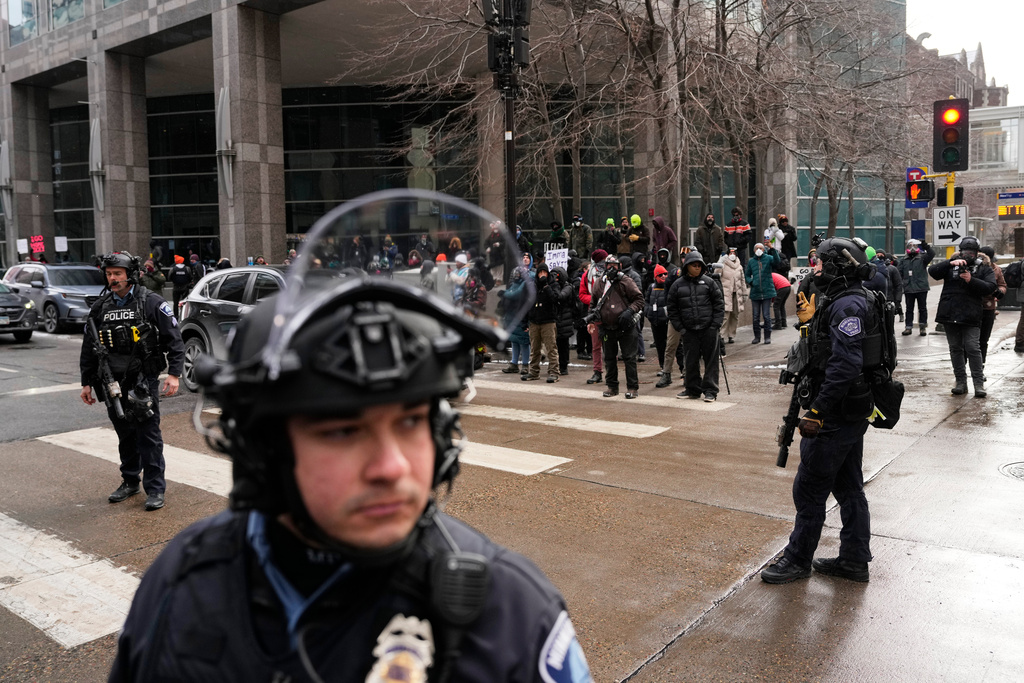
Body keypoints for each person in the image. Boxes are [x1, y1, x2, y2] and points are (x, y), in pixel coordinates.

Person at [109, 274, 592, 682]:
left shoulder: (512, 616)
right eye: (342, 431)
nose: (392, 467)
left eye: (410, 422)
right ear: (263, 451)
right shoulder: (182, 583)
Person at [761, 237, 879, 585]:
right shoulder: (850, 299)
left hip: (837, 413)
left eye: (823, 263)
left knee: (810, 490)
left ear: (838, 267)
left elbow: (845, 365)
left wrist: (816, 411)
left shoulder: (848, 307)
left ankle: (797, 560)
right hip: (850, 410)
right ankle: (854, 560)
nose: (817, 269)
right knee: (848, 488)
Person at [79, 252, 184, 512]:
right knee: (124, 433)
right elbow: (88, 347)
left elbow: (174, 338)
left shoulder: (151, 302)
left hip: (142, 380)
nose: (112, 278)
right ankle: (129, 481)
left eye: (117, 273)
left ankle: (155, 489)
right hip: (112, 381)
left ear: (130, 275)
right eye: (109, 274)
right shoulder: (100, 306)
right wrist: (86, 382)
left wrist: (174, 373)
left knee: (148, 434)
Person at [928, 236, 996, 397]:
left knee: (973, 347)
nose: (968, 255)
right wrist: (949, 263)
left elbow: (990, 287)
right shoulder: (951, 265)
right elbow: (932, 272)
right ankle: (960, 382)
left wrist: (971, 280)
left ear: (977, 253)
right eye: (965, 252)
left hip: (971, 315)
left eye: (971, 253)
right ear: (960, 251)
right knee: (955, 348)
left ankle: (978, 384)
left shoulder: (984, 268)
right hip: (950, 314)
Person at [667, 251, 725, 402]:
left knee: (711, 361)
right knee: (690, 361)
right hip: (689, 331)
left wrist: (715, 325)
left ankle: (711, 391)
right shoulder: (677, 285)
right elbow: (672, 309)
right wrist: (681, 328)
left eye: (700, 265)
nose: (697, 268)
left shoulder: (709, 282)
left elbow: (719, 304)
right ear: (687, 266)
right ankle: (692, 389)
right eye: (694, 265)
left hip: (709, 329)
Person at [588, 255, 643, 399]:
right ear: (605, 267)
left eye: (615, 265)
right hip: (606, 327)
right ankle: (612, 387)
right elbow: (593, 304)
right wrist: (591, 321)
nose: (612, 268)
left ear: (619, 266)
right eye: (609, 265)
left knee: (629, 357)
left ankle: (632, 387)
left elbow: (639, 299)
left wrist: (629, 311)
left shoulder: (626, 281)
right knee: (609, 358)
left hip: (626, 326)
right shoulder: (600, 283)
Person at [523, 262, 561, 383]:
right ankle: (533, 372)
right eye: (540, 272)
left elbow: (555, 299)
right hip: (534, 321)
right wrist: (525, 321)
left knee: (551, 348)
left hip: (548, 321)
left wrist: (546, 286)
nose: (542, 275)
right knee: (535, 349)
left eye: (544, 272)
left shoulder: (553, 284)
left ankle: (554, 372)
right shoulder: (533, 286)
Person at [579, 249, 608, 384]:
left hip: (609, 313)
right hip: (594, 313)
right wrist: (595, 300)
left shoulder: (612, 273)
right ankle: (597, 371)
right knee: (596, 345)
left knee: (610, 344)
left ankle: (610, 371)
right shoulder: (587, 276)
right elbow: (582, 294)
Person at [744, 241, 781, 344]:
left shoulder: (768, 258)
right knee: (755, 316)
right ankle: (757, 336)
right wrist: (751, 282)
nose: (759, 250)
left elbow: (777, 262)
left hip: (767, 291)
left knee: (766, 315)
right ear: (754, 250)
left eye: (761, 248)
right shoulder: (751, 261)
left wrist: (772, 248)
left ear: (764, 250)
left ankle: (767, 336)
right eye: (757, 248)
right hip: (755, 292)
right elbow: (746, 275)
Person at [897, 239, 935, 336]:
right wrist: (902, 284)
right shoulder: (903, 260)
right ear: (907, 248)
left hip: (921, 287)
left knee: (922, 308)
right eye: (910, 246)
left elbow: (931, 254)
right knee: (909, 309)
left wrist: (925, 245)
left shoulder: (922, 258)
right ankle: (908, 327)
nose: (912, 248)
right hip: (909, 288)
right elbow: (899, 273)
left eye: (915, 246)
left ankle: (922, 327)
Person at [977, 246, 1006, 366]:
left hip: (989, 307)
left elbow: (1002, 285)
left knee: (984, 339)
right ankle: (965, 364)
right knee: (970, 340)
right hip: (973, 306)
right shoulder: (975, 268)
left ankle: (981, 365)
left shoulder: (997, 269)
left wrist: (1000, 291)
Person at [645, 264, 670, 370]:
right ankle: (662, 366)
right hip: (655, 322)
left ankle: (680, 368)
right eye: (661, 275)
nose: (664, 276)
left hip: (667, 322)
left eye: (665, 274)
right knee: (660, 346)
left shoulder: (670, 287)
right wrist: (648, 312)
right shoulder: (651, 287)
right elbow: (646, 301)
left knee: (672, 346)